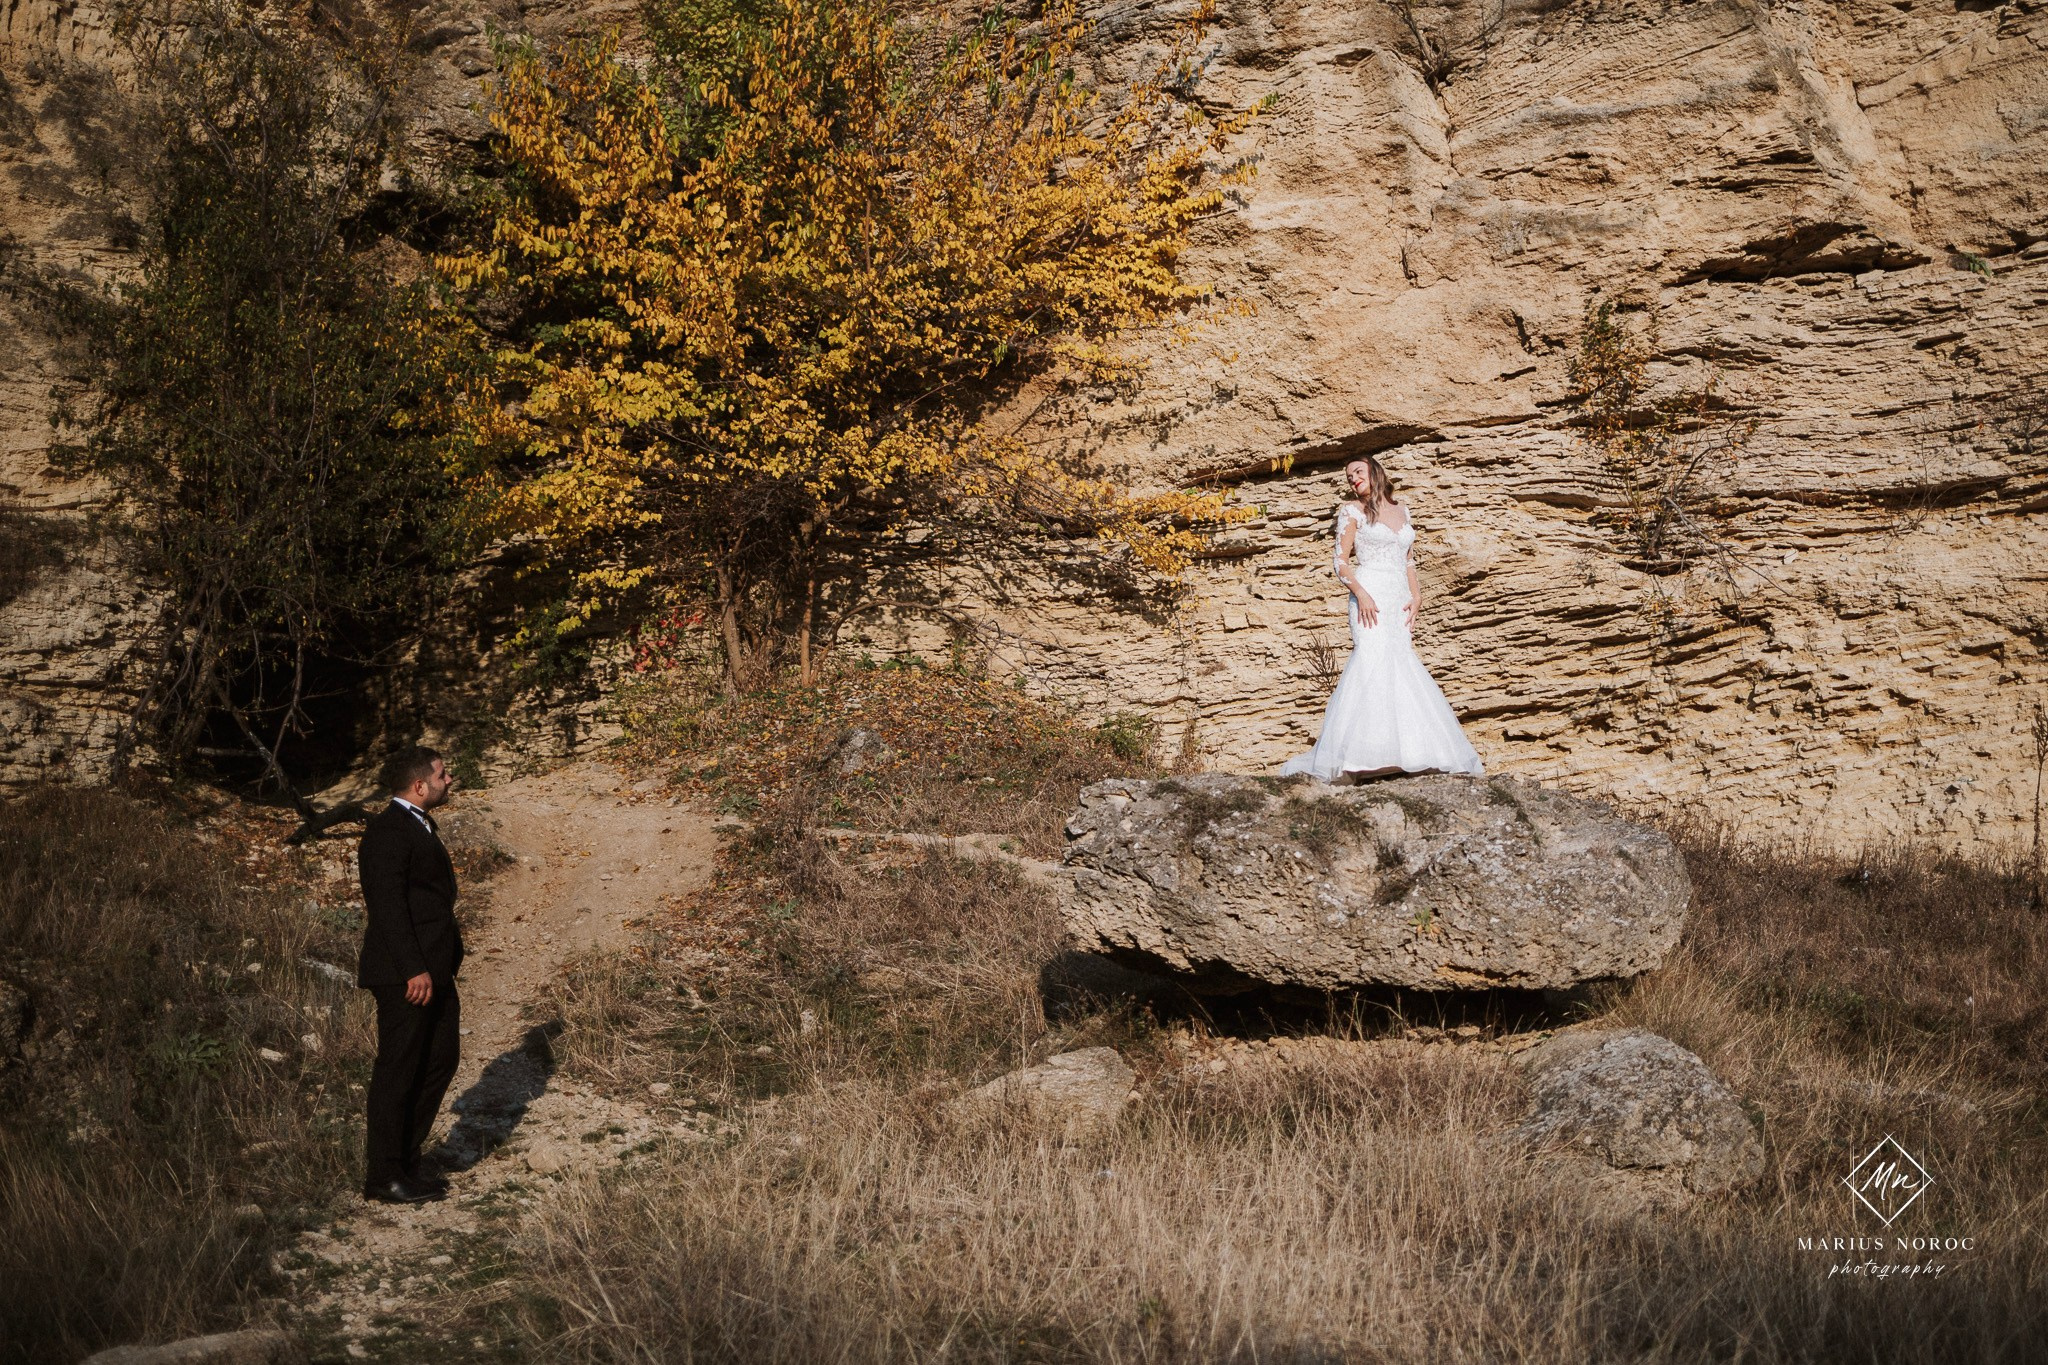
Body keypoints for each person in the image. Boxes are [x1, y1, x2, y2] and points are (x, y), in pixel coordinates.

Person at [1280, 457, 1485, 781]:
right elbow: (1340, 561)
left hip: (1398, 597)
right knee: (1371, 657)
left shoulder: (1402, 510)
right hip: (1369, 593)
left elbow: (1409, 561)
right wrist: (1361, 594)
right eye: (1349, 476)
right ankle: (1362, 755)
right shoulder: (1351, 511)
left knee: (1401, 660)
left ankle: (1410, 752)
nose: (1353, 479)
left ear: (1375, 473)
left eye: (1358, 472)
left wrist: (1416, 596)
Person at [356, 745, 464, 1204]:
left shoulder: (419, 824)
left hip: (432, 970)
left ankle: (407, 1161)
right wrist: (413, 969)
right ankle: (383, 1176)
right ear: (420, 786)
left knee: (440, 1059)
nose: (449, 779)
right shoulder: (387, 832)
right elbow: (388, 909)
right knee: (398, 1071)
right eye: (442, 774)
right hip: (407, 975)